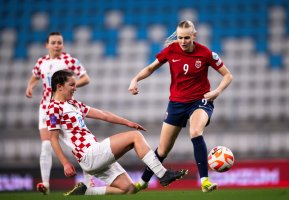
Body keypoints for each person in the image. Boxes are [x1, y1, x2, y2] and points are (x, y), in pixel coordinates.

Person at [128, 20, 233, 193]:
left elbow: (228, 75)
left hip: (200, 100)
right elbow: (151, 67)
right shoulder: (171, 50)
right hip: (176, 103)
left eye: (186, 38)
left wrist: (217, 91)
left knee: (195, 131)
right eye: (180, 38)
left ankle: (205, 181)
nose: (183, 41)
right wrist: (135, 79)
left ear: (194, 36)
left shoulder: (206, 53)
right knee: (162, 149)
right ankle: (143, 181)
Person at [47, 70, 188, 196]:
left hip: (94, 154)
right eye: (71, 85)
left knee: (129, 189)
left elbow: (103, 114)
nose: (75, 88)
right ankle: (162, 174)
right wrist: (65, 163)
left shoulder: (73, 104)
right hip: (88, 154)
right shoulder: (53, 108)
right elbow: (53, 138)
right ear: (59, 86)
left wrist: (127, 122)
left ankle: (87, 192)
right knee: (135, 136)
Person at [25, 32, 93, 194]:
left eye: (59, 43)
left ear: (63, 45)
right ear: (46, 45)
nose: (57, 45)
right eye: (54, 43)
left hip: (65, 107)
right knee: (46, 144)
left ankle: (89, 183)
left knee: (80, 144)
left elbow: (86, 78)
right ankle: (46, 184)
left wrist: (70, 85)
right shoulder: (41, 62)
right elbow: (35, 77)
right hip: (46, 108)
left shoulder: (69, 61)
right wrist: (30, 86)